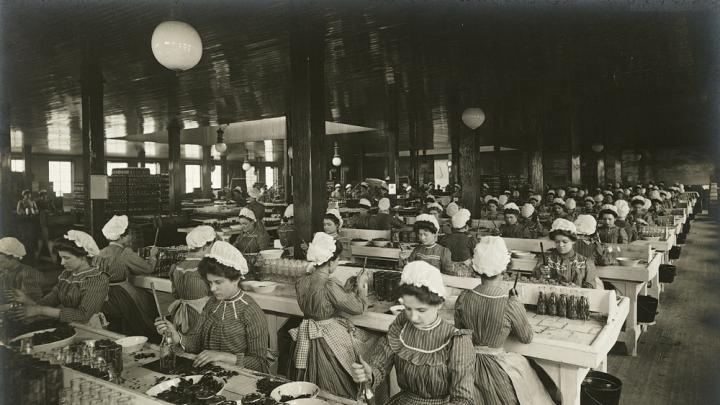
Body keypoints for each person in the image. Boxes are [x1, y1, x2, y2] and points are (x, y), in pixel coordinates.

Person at [350, 261, 475, 405]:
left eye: (421, 310)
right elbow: (379, 366)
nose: (413, 317)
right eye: (408, 309)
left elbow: (462, 400)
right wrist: (369, 374)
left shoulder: (456, 341)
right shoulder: (401, 328)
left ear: (439, 303)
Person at [455, 237, 555, 405]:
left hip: (466, 367)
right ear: (505, 269)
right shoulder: (510, 303)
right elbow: (526, 337)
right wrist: (518, 306)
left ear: (476, 269)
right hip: (497, 370)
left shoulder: (463, 298)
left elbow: (460, 332)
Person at [155, 241, 271, 372]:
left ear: (236, 279)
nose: (212, 288)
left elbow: (260, 363)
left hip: (239, 376)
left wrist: (222, 356)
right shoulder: (212, 303)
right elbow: (195, 341)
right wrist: (177, 337)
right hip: (212, 373)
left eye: (218, 282)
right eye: (209, 282)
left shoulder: (251, 311)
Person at [291, 232, 377, 399]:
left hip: (307, 333)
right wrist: (361, 289)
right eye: (337, 261)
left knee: (313, 384)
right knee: (371, 344)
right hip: (327, 334)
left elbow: (326, 300)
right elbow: (358, 308)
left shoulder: (301, 281)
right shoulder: (329, 284)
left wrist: (345, 289)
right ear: (330, 262)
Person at [11, 231, 109, 327]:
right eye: (61, 258)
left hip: (90, 328)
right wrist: (28, 301)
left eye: (66, 258)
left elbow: (83, 316)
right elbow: (52, 298)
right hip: (68, 325)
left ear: (83, 257)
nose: (62, 263)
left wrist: (39, 310)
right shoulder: (67, 275)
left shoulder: (96, 279)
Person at [94, 215, 160, 339]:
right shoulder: (125, 253)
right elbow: (148, 268)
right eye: (129, 235)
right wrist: (152, 256)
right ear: (122, 237)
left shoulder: (101, 252)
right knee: (150, 303)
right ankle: (152, 336)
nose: (131, 237)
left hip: (103, 296)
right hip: (120, 293)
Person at [167, 226, 215, 334]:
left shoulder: (176, 267)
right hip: (201, 316)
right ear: (205, 246)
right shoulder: (206, 267)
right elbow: (217, 294)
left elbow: (175, 295)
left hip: (181, 316)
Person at [533, 219, 602, 289]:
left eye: (565, 242)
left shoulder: (586, 263)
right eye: (557, 242)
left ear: (573, 241)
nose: (560, 245)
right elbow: (533, 281)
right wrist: (540, 273)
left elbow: (591, 288)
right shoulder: (547, 259)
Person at [0, 238, 43, 310]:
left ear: (13, 258)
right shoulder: (5, 272)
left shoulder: (28, 274)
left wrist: (3, 308)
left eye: (1, 262)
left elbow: (31, 302)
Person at [439, 209, 477, 277]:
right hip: (465, 274)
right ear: (466, 227)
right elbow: (476, 256)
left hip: (447, 272)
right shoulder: (470, 240)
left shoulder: (444, 239)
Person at [16, 190, 39, 257]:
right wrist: (24, 213)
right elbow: (18, 211)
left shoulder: (33, 202)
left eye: (29, 194)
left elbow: (37, 209)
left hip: (32, 220)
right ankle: (25, 252)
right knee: (25, 236)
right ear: (23, 195)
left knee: (32, 235)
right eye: (26, 194)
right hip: (24, 221)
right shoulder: (21, 202)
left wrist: (34, 212)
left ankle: (31, 252)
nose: (28, 195)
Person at [35, 190, 56, 260]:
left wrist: (51, 204)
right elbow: (39, 209)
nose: (44, 197)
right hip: (42, 223)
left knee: (45, 239)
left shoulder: (47, 202)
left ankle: (40, 256)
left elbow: (53, 210)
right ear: (40, 196)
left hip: (47, 223)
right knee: (44, 239)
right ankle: (39, 256)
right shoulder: (38, 202)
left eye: (45, 195)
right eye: (42, 196)